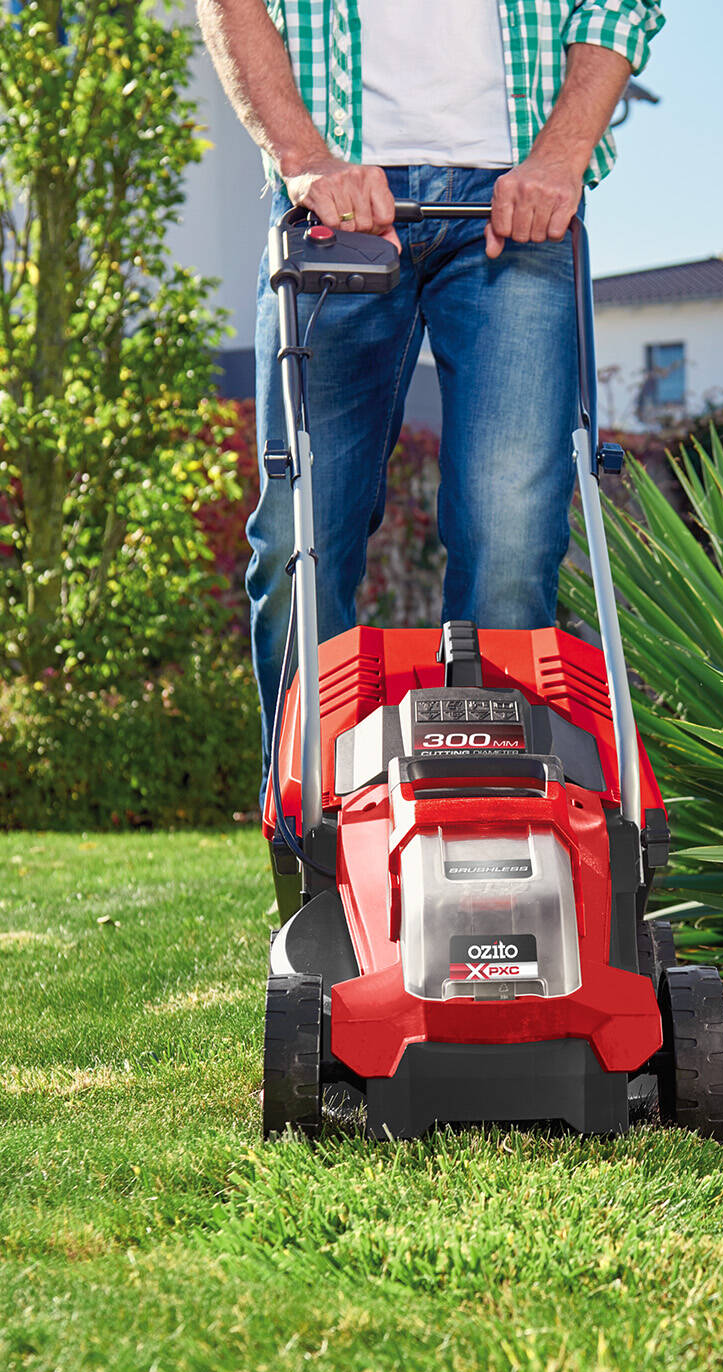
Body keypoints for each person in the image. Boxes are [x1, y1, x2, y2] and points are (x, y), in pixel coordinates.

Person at [196, 0, 664, 805]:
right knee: (297, 540)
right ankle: (311, 835)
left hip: (519, 196)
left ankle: (488, 822)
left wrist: (561, 156)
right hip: (332, 204)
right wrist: (304, 159)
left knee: (512, 539)